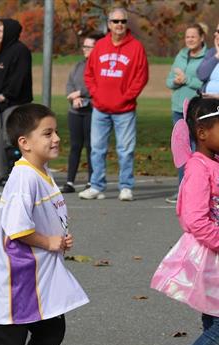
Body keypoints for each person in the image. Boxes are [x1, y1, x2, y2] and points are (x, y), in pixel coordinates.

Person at [0, 103, 89, 345]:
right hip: (22, 274)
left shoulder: (40, 172)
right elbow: (17, 228)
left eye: (56, 132)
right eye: (47, 133)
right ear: (24, 143)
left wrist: (58, 238)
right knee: (8, 341)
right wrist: (50, 242)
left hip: (42, 271)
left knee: (52, 329)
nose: (57, 139)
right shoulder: (24, 178)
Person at [150, 95, 219, 345]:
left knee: (214, 326)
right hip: (209, 256)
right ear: (202, 133)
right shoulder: (197, 168)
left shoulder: (213, 164)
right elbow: (194, 219)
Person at [79, 7, 149, 201]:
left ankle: (126, 186)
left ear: (127, 24)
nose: (119, 25)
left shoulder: (136, 47)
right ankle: (96, 186)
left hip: (124, 110)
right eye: (115, 21)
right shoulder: (100, 46)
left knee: (125, 150)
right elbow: (89, 73)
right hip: (100, 109)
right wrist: (96, 94)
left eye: (123, 21)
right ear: (109, 24)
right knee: (97, 149)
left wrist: (126, 96)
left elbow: (141, 77)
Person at [0, 19, 33, 186]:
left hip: (13, 103)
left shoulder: (21, 51)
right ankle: (2, 173)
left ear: (10, 32)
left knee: (9, 139)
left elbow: (19, 77)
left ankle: (15, 173)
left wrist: (7, 94)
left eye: (0, 31)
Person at [164, 23, 207, 204]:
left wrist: (186, 79)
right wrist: (177, 81)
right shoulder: (180, 56)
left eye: (193, 36)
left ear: (202, 38)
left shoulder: (208, 58)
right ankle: (182, 190)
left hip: (197, 110)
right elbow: (168, 82)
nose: (190, 39)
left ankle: (200, 191)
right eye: (187, 36)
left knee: (198, 151)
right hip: (177, 109)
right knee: (182, 151)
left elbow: (205, 83)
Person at [61, 32, 104, 193]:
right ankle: (70, 181)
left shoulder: (100, 66)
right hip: (75, 111)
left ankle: (91, 181)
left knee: (91, 146)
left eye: (89, 46)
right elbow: (69, 85)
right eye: (84, 46)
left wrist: (80, 93)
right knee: (75, 146)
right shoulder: (78, 65)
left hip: (92, 111)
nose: (85, 49)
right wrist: (73, 99)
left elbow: (97, 85)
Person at [197, 22, 219, 97]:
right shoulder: (212, 52)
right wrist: (217, 55)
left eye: (218, 32)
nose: (215, 34)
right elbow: (201, 75)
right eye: (216, 31)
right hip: (207, 102)